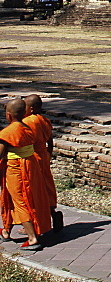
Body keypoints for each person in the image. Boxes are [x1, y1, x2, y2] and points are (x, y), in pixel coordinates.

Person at [0, 98, 51, 249]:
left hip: (16, 168)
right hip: (30, 165)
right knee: (16, 197)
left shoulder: (8, 132)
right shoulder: (28, 128)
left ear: (8, 115)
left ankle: (32, 238)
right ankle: (6, 231)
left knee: (20, 201)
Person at [23, 93, 62, 232]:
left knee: (34, 190)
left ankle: (35, 223)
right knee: (47, 188)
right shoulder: (45, 120)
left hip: (33, 158)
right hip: (44, 156)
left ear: (32, 108)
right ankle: (53, 213)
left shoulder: (28, 122)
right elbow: (50, 142)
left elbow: (26, 142)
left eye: (25, 106)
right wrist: (48, 155)